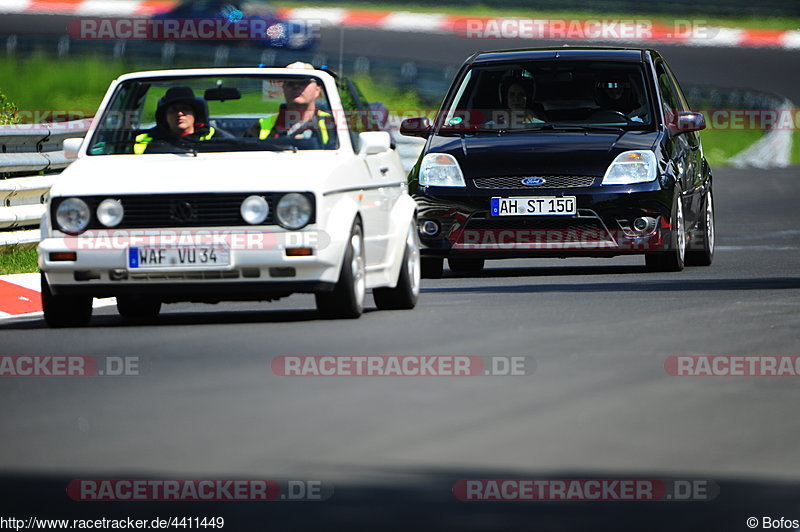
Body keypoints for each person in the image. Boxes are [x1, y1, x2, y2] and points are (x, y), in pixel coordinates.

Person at [245, 62, 335, 147]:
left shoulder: (333, 123)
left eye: (303, 82)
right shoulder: (262, 125)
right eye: (290, 82)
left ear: (317, 90)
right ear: (283, 89)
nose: (296, 86)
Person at [133, 87, 215, 154]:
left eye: (185, 109)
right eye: (173, 110)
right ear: (165, 116)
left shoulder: (215, 137)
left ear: (195, 114)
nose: (179, 113)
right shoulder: (143, 141)